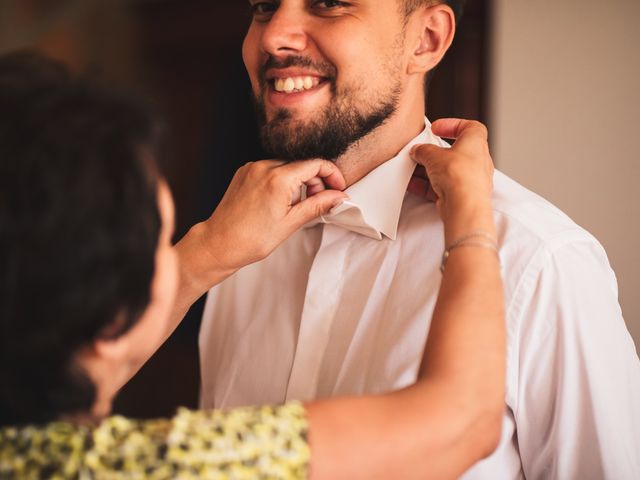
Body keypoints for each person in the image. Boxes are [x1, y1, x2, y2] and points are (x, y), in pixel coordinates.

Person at [0, 52, 504, 478]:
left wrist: (213, 245)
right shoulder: (143, 464)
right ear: (108, 323)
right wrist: (474, 226)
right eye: (159, 243)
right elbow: (461, 421)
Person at [197, 1, 640, 478]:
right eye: (263, 6)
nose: (272, 35)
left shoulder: (540, 262)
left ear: (426, 38)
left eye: (328, 3)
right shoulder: (232, 248)